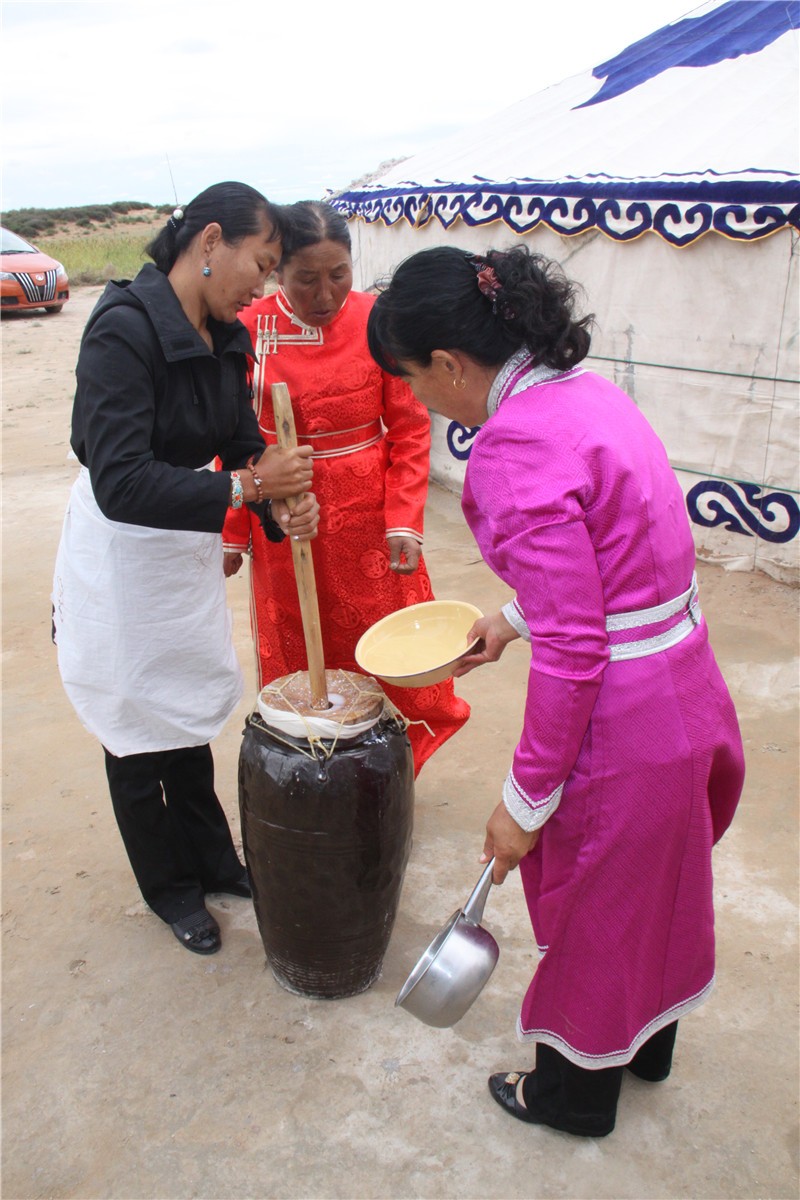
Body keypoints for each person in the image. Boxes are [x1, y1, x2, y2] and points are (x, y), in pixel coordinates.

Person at [366, 245, 745, 1137]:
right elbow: (617, 561)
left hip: (627, 722)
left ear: (452, 365)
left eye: (418, 383)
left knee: (595, 907)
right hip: (688, 684)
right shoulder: (590, 395)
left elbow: (577, 648)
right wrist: (510, 617)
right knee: (664, 885)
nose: (424, 402)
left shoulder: (510, 450)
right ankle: (648, 1050)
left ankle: (572, 1098)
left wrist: (524, 801)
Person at [52, 182, 319, 956]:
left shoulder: (227, 336)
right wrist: (250, 488)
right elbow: (122, 478)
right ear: (210, 242)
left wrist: (275, 503)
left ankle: (211, 858)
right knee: (133, 723)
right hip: (119, 547)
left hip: (179, 544)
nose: (264, 285)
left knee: (185, 706)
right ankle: (169, 889)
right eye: (261, 264)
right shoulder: (122, 330)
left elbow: (242, 445)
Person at [222, 201, 469, 774]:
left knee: (385, 639)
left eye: (339, 275)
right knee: (301, 643)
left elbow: (408, 427)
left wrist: (404, 519)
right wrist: (235, 529)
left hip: (368, 518)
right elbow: (231, 440)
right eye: (307, 279)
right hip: (285, 514)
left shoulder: (377, 320)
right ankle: (315, 769)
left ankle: (391, 764)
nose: (325, 294)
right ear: (277, 270)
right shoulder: (249, 330)